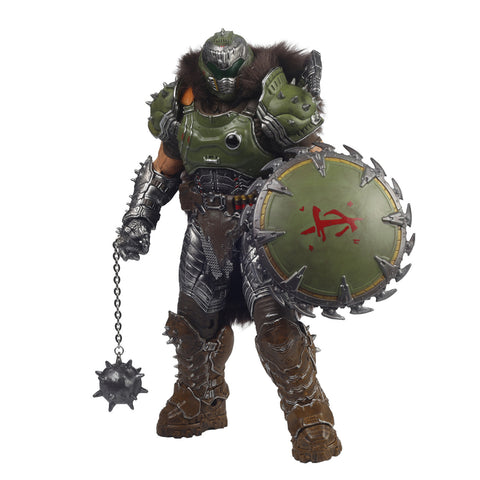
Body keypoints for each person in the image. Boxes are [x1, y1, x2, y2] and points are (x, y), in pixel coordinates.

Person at [115, 29, 342, 463]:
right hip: (203, 226)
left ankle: (309, 414)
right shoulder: (183, 105)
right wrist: (138, 220)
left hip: (262, 231)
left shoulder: (272, 106)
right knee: (193, 323)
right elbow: (163, 168)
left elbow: (314, 171)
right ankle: (200, 400)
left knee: (276, 327)